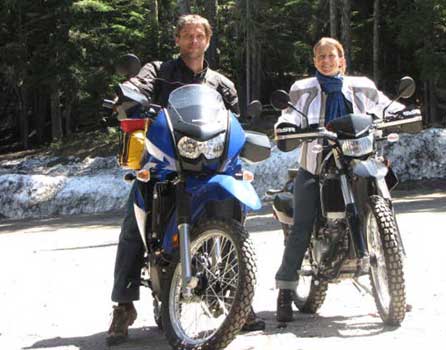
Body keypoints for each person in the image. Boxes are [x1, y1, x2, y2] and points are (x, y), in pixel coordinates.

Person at [107, 14, 264, 346]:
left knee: (232, 211)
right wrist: (128, 94)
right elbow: (136, 88)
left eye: (200, 36)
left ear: (208, 40)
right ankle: (123, 305)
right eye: (187, 36)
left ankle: (237, 299)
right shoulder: (159, 71)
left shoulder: (222, 84)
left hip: (209, 162)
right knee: (135, 221)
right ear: (177, 40)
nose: (194, 42)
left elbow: (233, 119)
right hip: (166, 160)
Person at [273, 37, 405, 322]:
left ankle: (396, 287)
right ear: (315, 60)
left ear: (342, 60)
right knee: (302, 225)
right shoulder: (302, 90)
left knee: (386, 207)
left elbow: (385, 107)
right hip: (317, 165)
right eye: (321, 56)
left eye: (332, 56)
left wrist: (401, 113)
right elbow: (288, 116)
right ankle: (285, 291)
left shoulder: (362, 86)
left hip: (360, 161)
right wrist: (285, 126)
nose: (327, 61)